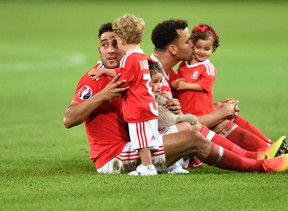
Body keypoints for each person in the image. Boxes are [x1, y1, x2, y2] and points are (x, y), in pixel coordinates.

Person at [64, 20, 288, 175]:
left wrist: (167, 105)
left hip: (137, 143)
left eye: (116, 43)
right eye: (105, 45)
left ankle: (258, 155)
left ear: (124, 44)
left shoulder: (131, 69)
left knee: (187, 127)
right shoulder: (93, 79)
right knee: (193, 138)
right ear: (99, 49)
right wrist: (104, 95)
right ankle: (260, 166)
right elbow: (69, 118)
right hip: (114, 157)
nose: (111, 50)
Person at [149, 19, 287, 168]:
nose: (193, 44)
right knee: (218, 118)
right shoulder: (150, 77)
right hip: (159, 147)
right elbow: (174, 124)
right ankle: (261, 159)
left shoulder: (168, 73)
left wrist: (215, 106)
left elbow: (184, 110)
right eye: (188, 41)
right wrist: (221, 113)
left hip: (174, 132)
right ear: (173, 49)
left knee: (220, 111)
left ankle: (272, 150)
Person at [170, 24, 279, 153]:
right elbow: (176, 85)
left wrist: (184, 85)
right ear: (192, 45)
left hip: (203, 112)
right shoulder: (183, 64)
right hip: (188, 112)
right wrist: (174, 84)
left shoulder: (207, 67)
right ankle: (265, 150)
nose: (201, 51)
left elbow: (205, 85)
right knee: (219, 124)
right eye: (198, 47)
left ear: (213, 49)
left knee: (223, 123)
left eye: (207, 49)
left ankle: (267, 147)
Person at [87, 14, 160, 175]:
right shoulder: (141, 55)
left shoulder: (129, 58)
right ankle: (171, 165)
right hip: (148, 104)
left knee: (141, 141)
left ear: (121, 40)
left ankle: (147, 167)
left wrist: (103, 71)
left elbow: (123, 79)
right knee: (153, 139)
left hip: (138, 108)